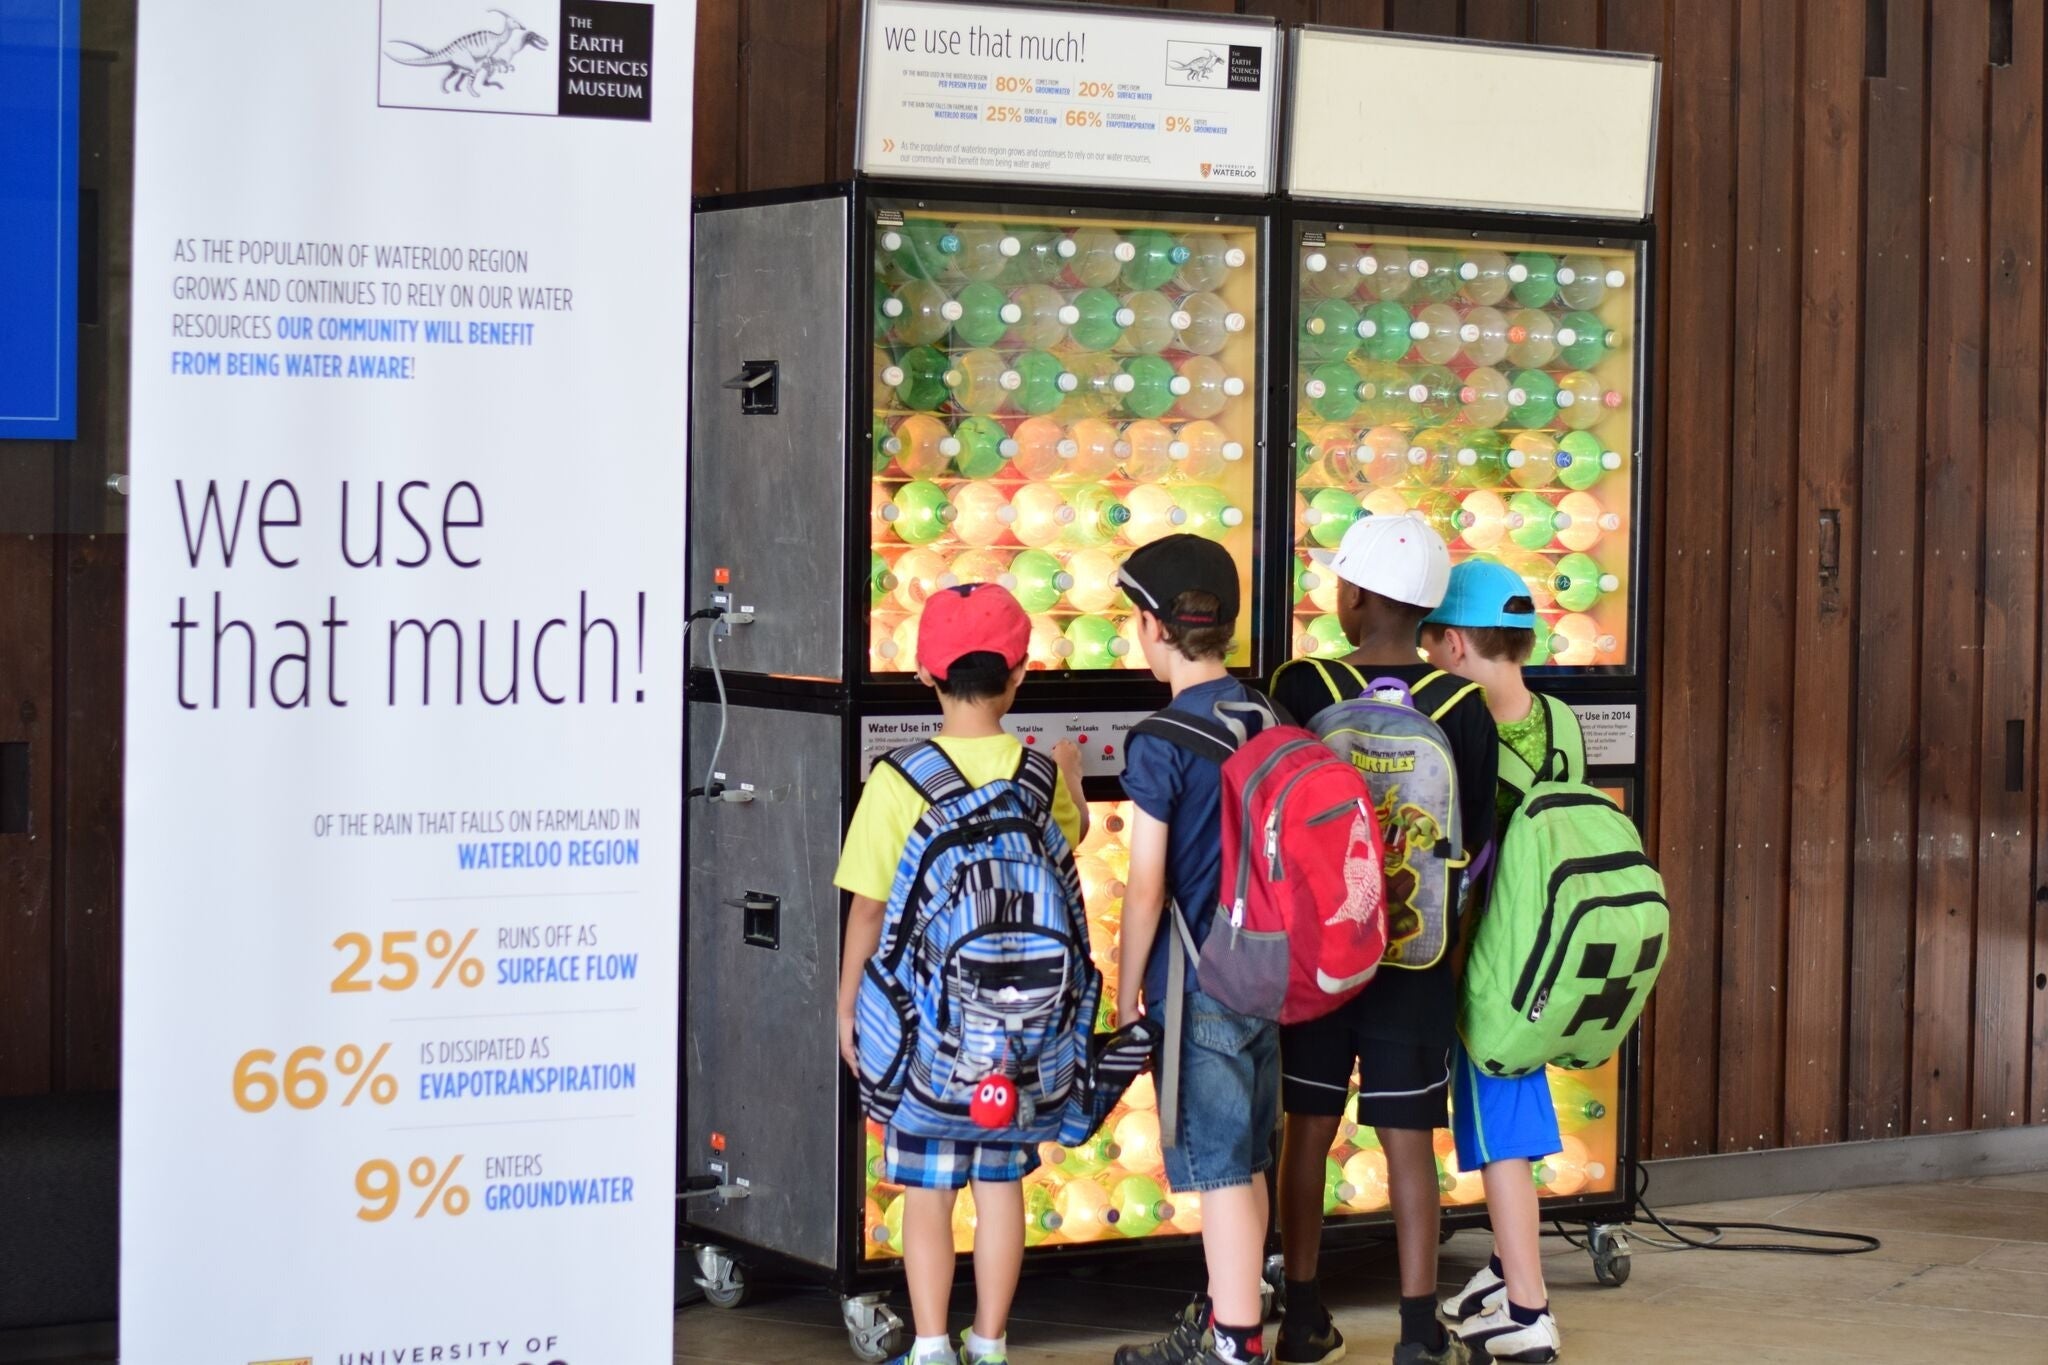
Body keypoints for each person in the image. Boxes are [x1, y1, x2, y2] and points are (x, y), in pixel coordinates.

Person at [833, 583, 1089, 1365]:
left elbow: (870, 910)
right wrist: (1073, 777)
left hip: (925, 1033)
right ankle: (992, 1340)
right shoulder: (1042, 778)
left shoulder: (899, 779)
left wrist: (849, 1006)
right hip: (1021, 1033)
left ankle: (934, 1343)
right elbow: (1062, 858)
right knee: (1002, 1183)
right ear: (1021, 674)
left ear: (925, 676)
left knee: (929, 1191)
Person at [1267, 515, 1498, 1365]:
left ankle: (1300, 1315)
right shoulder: (1460, 703)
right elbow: (1476, 835)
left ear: (1353, 596)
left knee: (1307, 1129)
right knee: (1408, 1141)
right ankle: (1414, 1329)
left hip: (1321, 953)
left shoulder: (1301, 685)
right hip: (1416, 957)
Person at [1112, 534, 1279, 1365]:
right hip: (1270, 969)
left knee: (1214, 1169)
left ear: (1151, 626)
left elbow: (1146, 887)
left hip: (1199, 977)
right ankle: (1234, 1324)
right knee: (1246, 1158)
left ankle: (1235, 1342)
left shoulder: (1159, 739)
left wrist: (1122, 989)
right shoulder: (1266, 712)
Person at [1420, 560, 1580, 1363]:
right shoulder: (1562, 720)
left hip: (1489, 968)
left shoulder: (1460, 725)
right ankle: (1497, 1272)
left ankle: (1527, 1308)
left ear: (1452, 643)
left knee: (1500, 1137)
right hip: (1553, 963)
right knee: (1517, 1109)